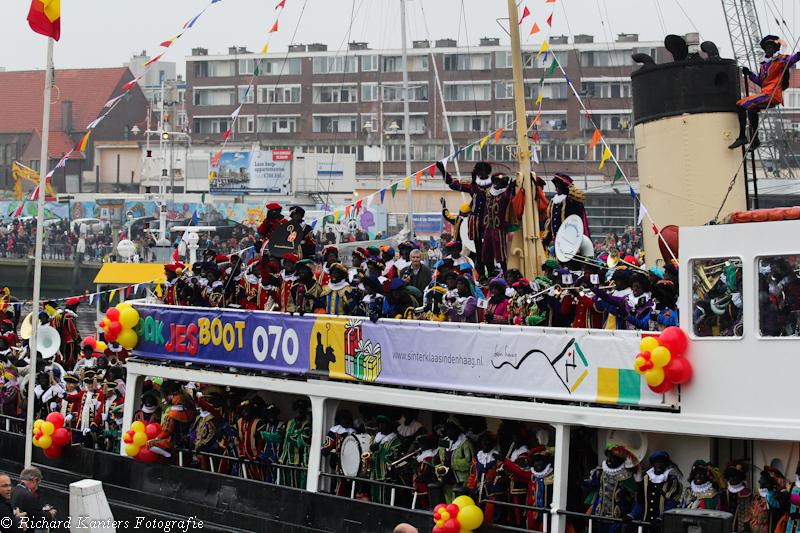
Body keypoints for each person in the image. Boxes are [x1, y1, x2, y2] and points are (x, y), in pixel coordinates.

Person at [730, 35, 800, 150]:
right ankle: (755, 139)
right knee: (751, 109)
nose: (768, 50)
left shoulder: (781, 60)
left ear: (776, 49)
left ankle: (742, 136)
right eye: (766, 48)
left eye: (771, 48)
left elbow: (792, 59)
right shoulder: (764, 65)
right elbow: (762, 83)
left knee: (740, 104)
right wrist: (750, 74)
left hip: (772, 94)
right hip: (766, 92)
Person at [438, 161, 492, 282]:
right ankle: (482, 274)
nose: (481, 174)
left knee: (488, 248)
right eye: (479, 172)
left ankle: (492, 271)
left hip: (489, 220)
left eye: (483, 172)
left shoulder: (494, 185)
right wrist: (444, 173)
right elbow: (454, 184)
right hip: (476, 220)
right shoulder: (472, 184)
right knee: (478, 249)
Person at [583, 443, 639, 533]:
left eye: (612, 458)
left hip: (618, 515)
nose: (609, 460)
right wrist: (583, 483)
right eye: (608, 457)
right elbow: (592, 485)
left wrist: (627, 494)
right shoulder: (600, 471)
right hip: (601, 513)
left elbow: (634, 495)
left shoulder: (627, 475)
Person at [626, 451, 682, 528]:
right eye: (656, 463)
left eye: (662, 463)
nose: (659, 465)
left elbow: (671, 504)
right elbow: (640, 502)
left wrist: (660, 518)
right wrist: (631, 516)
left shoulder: (672, 481)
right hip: (647, 524)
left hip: (663, 525)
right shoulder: (645, 479)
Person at [433, 416, 476, 504]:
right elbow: (436, 461)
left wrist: (451, 463)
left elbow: (470, 463)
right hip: (447, 481)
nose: (450, 432)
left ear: (458, 430)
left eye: (453, 429)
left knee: (459, 505)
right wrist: (440, 470)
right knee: (449, 505)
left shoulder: (466, 444)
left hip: (461, 482)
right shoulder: (443, 443)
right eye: (448, 430)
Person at [542, 173, 590, 247]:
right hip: (557, 241)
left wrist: (568, 190)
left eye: (558, 186)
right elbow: (550, 220)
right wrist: (546, 239)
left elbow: (577, 200)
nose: (557, 188)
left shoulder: (571, 200)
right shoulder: (553, 201)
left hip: (571, 240)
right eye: (556, 186)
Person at [369, 414, 403, 505]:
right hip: (374, 475)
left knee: (384, 501)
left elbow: (392, 458)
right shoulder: (377, 439)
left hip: (386, 476)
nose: (381, 427)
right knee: (374, 499)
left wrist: (379, 450)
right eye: (380, 424)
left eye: (384, 424)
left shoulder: (395, 441)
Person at [321, 409, 355, 496]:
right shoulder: (334, 432)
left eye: (348, 419)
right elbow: (324, 448)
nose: (347, 421)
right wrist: (328, 450)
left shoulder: (353, 433)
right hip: (338, 464)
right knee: (339, 486)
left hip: (352, 464)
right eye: (344, 419)